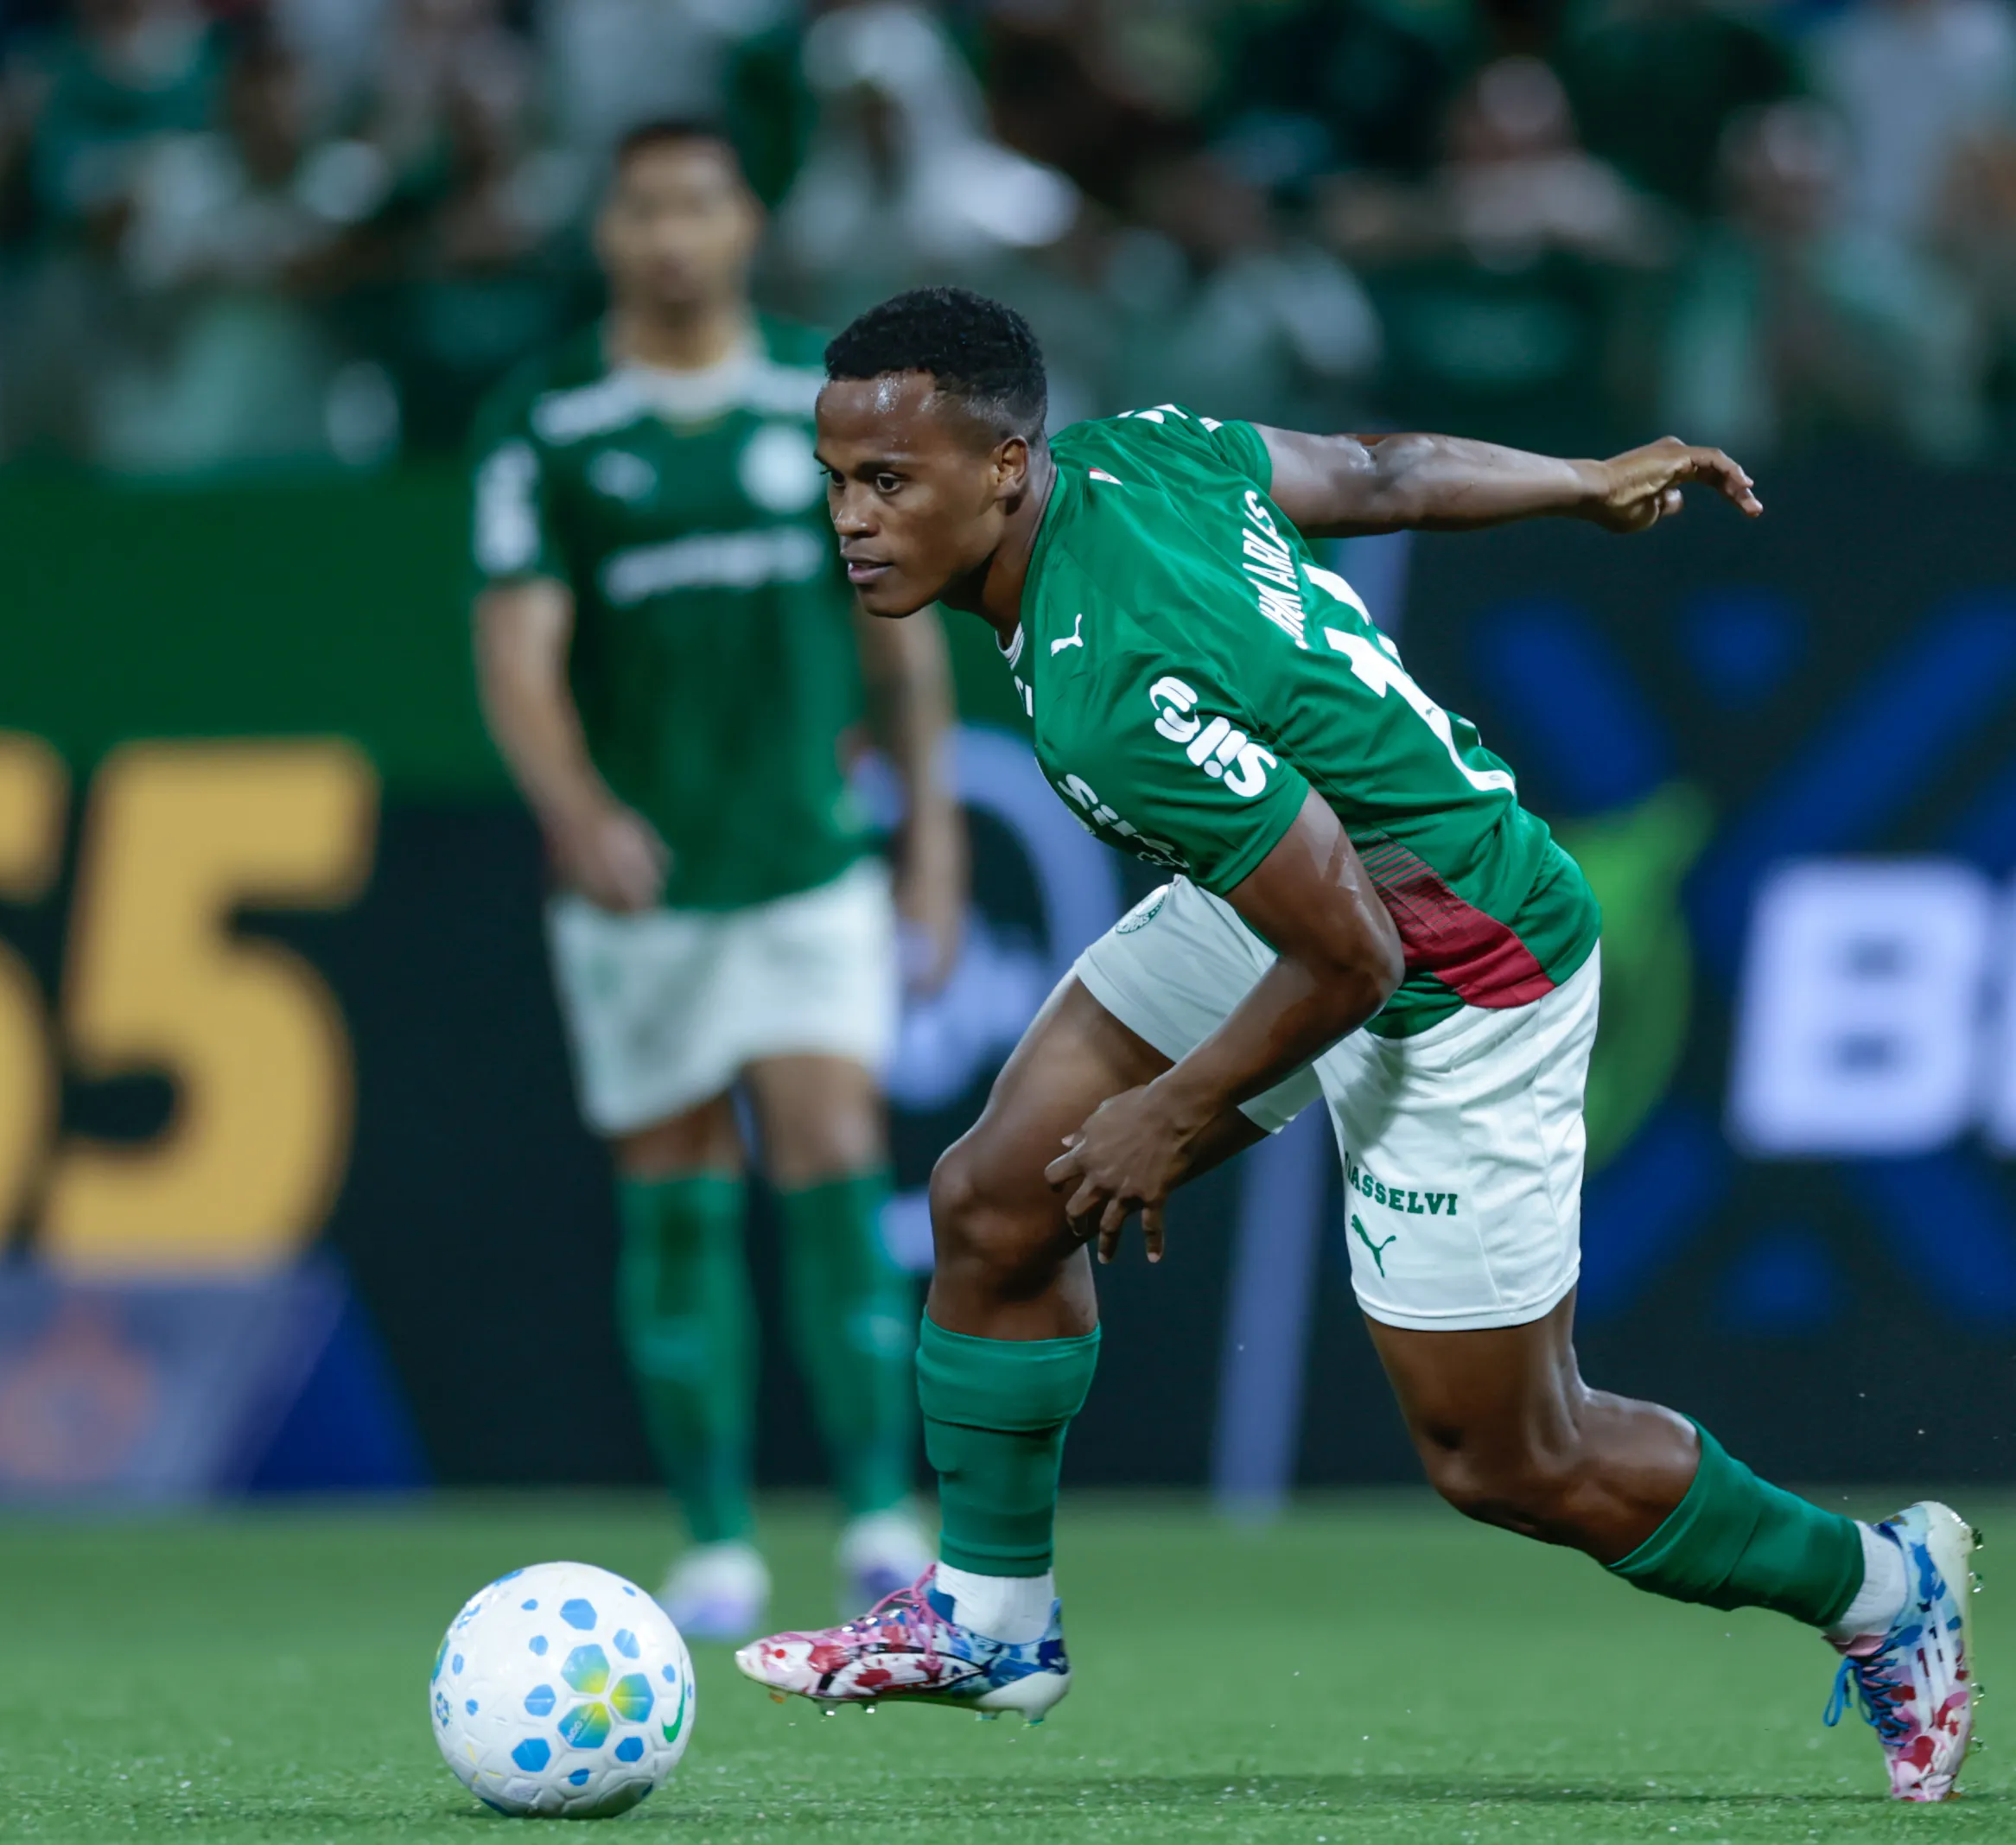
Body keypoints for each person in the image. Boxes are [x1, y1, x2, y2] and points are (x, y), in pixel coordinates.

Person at [733, 285, 1977, 1806]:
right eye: (837, 482)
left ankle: (1882, 1586)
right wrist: (1575, 483)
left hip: (1461, 960)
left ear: (1006, 466)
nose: (852, 520)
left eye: (889, 482)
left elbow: (1360, 953)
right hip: (1301, 889)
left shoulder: (1106, 681)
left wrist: (1176, 1115)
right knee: (997, 1198)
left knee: (1511, 1457)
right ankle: (992, 1624)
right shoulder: (1145, 454)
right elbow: (1379, 474)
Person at [470, 123, 967, 1640]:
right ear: (610, 231)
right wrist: (575, 809)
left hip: (804, 858)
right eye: (644, 208)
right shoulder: (548, 421)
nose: (672, 233)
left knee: (831, 1152)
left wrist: (930, 841)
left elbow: (902, 632)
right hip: (641, 881)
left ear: (745, 219)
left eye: (699, 201)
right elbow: (516, 649)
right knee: (675, 1187)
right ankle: (716, 1538)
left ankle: (883, 1515)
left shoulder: (822, 401)